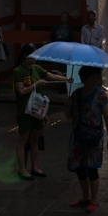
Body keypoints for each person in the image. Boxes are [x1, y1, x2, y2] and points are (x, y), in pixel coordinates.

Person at [13, 44, 67, 180]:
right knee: (23, 139)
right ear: (25, 55)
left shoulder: (36, 69)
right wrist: (36, 85)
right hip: (25, 109)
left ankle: (35, 167)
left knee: (35, 139)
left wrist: (67, 80)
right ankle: (22, 169)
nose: (35, 58)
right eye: (33, 55)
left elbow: (52, 77)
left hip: (38, 109)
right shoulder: (18, 71)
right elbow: (21, 91)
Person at [65, 66, 108, 212]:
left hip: (94, 138)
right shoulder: (76, 94)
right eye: (91, 78)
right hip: (78, 137)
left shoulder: (101, 96)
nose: (95, 81)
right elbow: (69, 116)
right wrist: (68, 106)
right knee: (79, 169)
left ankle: (94, 199)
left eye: (96, 77)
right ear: (84, 79)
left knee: (92, 169)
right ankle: (85, 197)